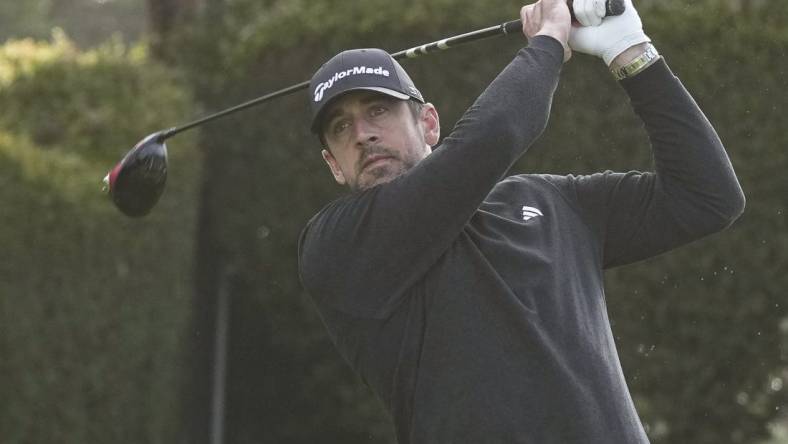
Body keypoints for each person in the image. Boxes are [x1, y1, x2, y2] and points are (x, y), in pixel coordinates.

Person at [298, 0, 745, 442]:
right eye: (340, 127)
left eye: (378, 110)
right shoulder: (335, 247)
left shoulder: (552, 202)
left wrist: (631, 50)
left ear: (430, 124)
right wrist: (549, 39)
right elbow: (494, 137)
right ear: (332, 164)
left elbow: (706, 197)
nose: (362, 135)